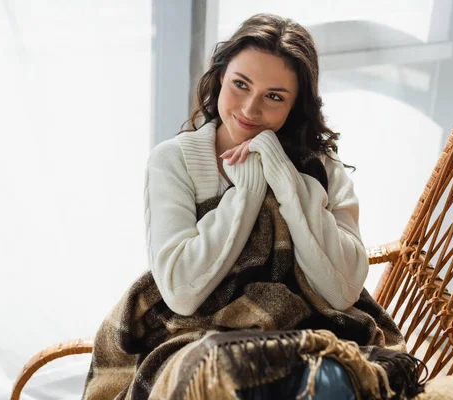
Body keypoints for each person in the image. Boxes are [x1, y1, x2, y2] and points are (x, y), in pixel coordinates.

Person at [143, 13, 366, 399]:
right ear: (220, 78)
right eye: (240, 85)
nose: (249, 109)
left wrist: (286, 179)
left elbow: (343, 290)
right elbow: (181, 290)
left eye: (274, 97)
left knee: (330, 382)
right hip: (196, 337)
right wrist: (246, 193)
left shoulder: (323, 171)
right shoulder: (174, 161)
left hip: (308, 334)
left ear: (296, 106)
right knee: (216, 379)